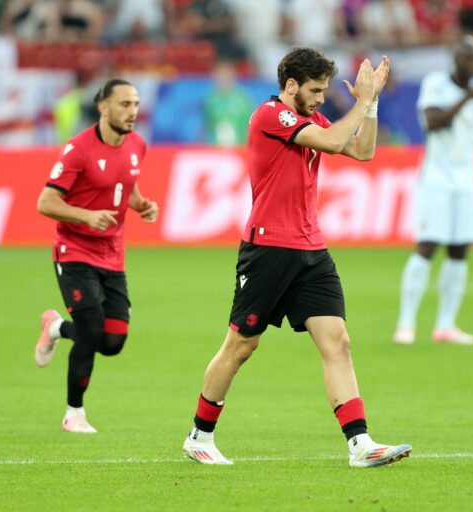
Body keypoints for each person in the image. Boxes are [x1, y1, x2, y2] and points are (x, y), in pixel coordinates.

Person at [181, 47, 412, 467]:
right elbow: (335, 140)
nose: (322, 98)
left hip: (311, 249)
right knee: (241, 345)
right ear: (291, 86)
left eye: (324, 91)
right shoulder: (271, 115)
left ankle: (359, 444)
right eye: (316, 90)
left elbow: (362, 151)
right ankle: (200, 435)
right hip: (269, 248)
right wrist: (361, 99)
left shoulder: (311, 118)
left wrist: (372, 103)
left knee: (338, 341)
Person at [34, 79, 158, 433]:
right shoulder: (78, 149)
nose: (132, 112)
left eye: (135, 104)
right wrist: (86, 216)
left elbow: (125, 184)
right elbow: (46, 202)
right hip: (74, 250)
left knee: (113, 342)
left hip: (112, 253)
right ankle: (74, 413)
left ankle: (56, 327)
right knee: (90, 330)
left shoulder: (137, 145)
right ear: (103, 107)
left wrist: (141, 205)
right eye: (124, 104)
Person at [393, 36, 473, 346]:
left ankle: (445, 325)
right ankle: (406, 323)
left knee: (459, 250)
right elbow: (434, 122)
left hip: (466, 181)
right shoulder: (436, 84)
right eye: (467, 59)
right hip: (436, 178)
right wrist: (467, 97)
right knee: (427, 246)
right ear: (455, 60)